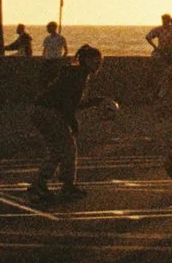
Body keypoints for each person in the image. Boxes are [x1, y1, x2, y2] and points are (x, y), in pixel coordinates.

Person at [29, 43, 116, 199]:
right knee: (68, 149)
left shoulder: (74, 73)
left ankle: (41, 183)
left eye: (100, 62)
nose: (98, 65)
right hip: (49, 112)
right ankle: (66, 185)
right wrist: (73, 123)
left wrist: (97, 101)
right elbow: (68, 104)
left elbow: (73, 103)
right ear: (87, 61)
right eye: (96, 62)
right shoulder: (79, 76)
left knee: (57, 149)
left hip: (40, 110)